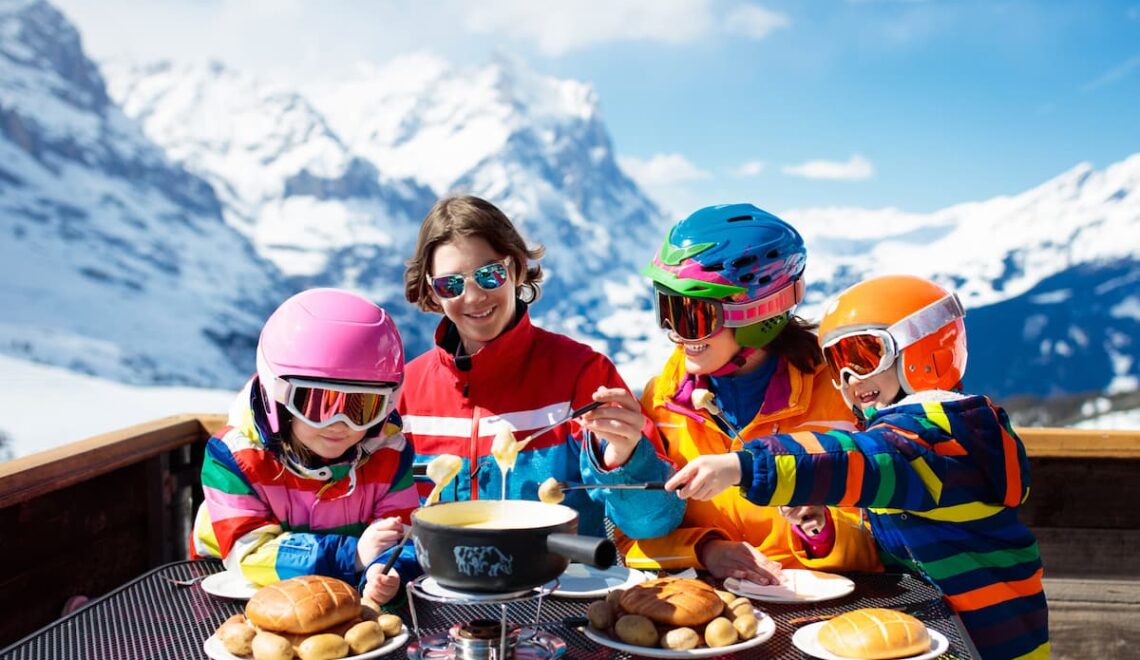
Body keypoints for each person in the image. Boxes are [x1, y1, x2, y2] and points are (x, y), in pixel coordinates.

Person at [666, 274, 1049, 659]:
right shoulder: (919, 442)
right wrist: (823, 525)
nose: (849, 379)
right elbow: (891, 517)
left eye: (863, 355)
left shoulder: (940, 439)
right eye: (837, 364)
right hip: (945, 633)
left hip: (989, 642)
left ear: (924, 349)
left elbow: (857, 457)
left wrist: (744, 466)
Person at [619, 203, 881, 583]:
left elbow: (891, 539)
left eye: (692, 315)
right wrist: (706, 550)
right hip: (712, 617)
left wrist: (821, 532)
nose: (674, 331)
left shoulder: (843, 395)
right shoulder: (662, 401)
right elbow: (631, 537)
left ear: (758, 316)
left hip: (824, 618)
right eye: (666, 309)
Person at [398, 195, 683, 540]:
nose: (472, 297)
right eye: (451, 284)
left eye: (489, 275)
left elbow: (653, 523)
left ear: (516, 269)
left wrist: (626, 457)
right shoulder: (406, 391)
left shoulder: (582, 375)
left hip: (558, 587)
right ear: (432, 292)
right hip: (438, 587)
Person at [191, 288, 420, 606]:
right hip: (236, 595)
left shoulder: (387, 453)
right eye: (319, 404)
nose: (340, 424)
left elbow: (403, 535)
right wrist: (352, 555)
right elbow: (250, 551)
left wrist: (385, 569)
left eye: (362, 408)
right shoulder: (235, 458)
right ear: (278, 397)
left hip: (345, 599)